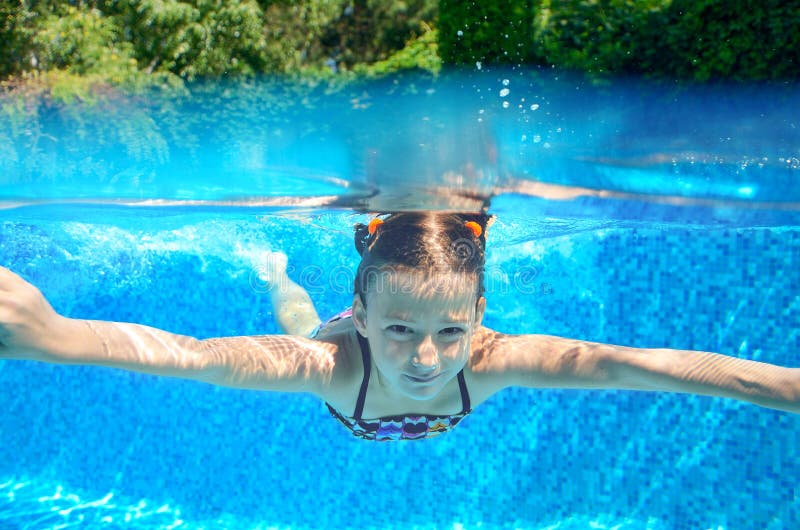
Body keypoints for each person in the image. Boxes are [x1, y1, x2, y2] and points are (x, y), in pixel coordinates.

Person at [0, 212, 797, 442]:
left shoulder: (491, 358)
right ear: (370, 311)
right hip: (335, 343)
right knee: (304, 324)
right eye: (398, 331)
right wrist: (57, 334)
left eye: (450, 334)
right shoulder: (335, 365)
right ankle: (279, 274)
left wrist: (785, 388)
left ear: (479, 317)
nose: (424, 360)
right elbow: (201, 357)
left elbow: (637, 365)